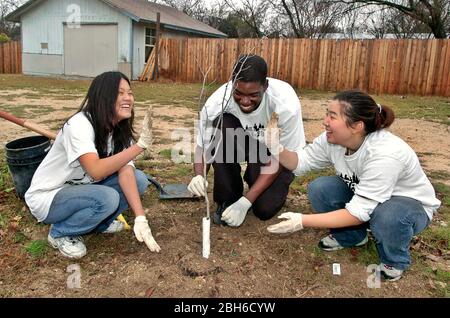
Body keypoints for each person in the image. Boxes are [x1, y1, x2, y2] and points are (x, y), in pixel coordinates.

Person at [265, 90, 441, 281]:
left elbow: (358, 213)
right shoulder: (331, 140)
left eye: (332, 116)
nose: (325, 121)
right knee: (320, 189)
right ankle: (352, 237)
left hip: (407, 206)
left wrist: (301, 221)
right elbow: (299, 163)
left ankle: (394, 260)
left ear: (357, 126)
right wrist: (276, 147)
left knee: (387, 216)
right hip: (367, 196)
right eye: (326, 114)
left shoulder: (384, 154)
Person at [25, 71, 160, 259]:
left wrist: (140, 217)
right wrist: (140, 147)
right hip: (50, 196)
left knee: (139, 180)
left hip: (84, 190)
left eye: (129, 92)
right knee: (107, 198)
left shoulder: (118, 129)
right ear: (103, 97)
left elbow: (126, 172)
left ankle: (100, 223)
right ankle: (61, 232)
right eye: (120, 93)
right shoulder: (80, 125)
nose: (128, 98)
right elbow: (95, 171)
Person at [188, 54, 305, 227]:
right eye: (239, 93)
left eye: (253, 95)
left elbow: (282, 158)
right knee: (221, 124)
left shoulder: (285, 105)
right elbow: (203, 145)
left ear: (265, 86)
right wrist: (199, 175)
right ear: (232, 84)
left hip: (275, 151)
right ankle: (228, 196)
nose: (244, 101)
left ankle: (253, 177)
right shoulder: (218, 102)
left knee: (264, 209)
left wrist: (247, 201)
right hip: (244, 140)